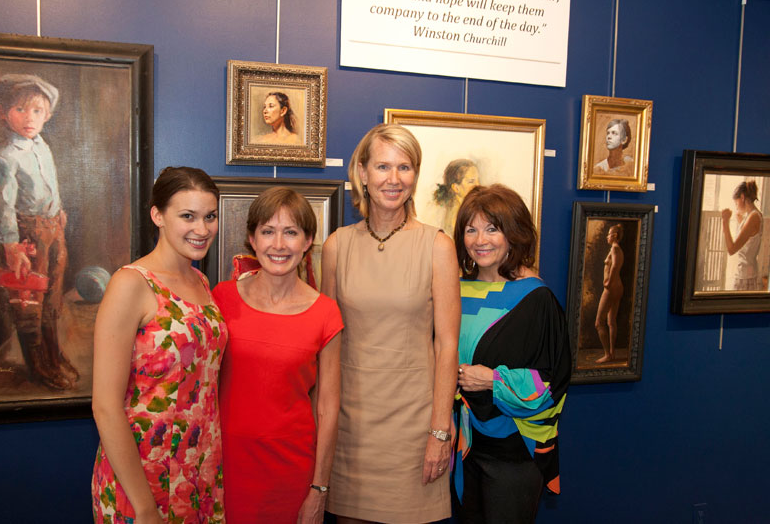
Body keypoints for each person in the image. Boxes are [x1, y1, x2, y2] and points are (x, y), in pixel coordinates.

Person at [322, 123, 460, 523]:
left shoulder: (436, 245)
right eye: (383, 167)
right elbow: (327, 345)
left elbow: (447, 345)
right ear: (362, 173)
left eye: (405, 167)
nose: (394, 179)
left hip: (416, 431)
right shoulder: (336, 247)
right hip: (352, 430)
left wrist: (440, 430)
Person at [91, 166, 226, 524]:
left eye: (209, 217)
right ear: (158, 216)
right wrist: (144, 506)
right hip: (142, 474)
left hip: (198, 468)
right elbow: (105, 406)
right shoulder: (130, 284)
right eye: (188, 216)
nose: (202, 229)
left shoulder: (199, 280)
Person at [213, 187, 343, 523]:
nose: (279, 245)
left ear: (307, 240)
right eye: (268, 232)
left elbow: (328, 408)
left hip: (291, 475)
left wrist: (319, 489)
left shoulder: (326, 314)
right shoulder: (221, 298)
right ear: (252, 239)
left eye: (291, 232)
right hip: (223, 468)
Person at [452, 184, 570, 523]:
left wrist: (492, 380)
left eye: (492, 228)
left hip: (514, 455)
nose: (480, 240)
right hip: (464, 447)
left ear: (513, 234)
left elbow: (552, 383)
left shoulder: (536, 298)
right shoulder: (456, 289)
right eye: (471, 229)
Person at [0, 73, 78, 390]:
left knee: (52, 297)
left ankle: (53, 356)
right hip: (25, 235)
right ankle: (38, 366)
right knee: (28, 301)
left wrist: (58, 211)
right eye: (20, 110)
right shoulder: (2, 158)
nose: (29, 118)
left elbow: (50, 185)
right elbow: (2, 206)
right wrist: (12, 246)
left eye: (37, 111)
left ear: (47, 114)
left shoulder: (42, 147)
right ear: (2, 112)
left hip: (52, 229)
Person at [721, 180, 763, 290]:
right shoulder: (751, 216)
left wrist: (725, 222)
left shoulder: (753, 217)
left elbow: (731, 249)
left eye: (736, 203)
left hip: (746, 277)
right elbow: (749, 240)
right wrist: (740, 222)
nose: (736, 206)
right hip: (746, 274)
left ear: (742, 197)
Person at [595, 223, 624, 364]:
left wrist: (608, 282)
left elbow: (614, 267)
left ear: (615, 236)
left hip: (612, 287)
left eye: (609, 234)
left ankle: (608, 354)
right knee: (611, 321)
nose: (607, 237)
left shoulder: (615, 249)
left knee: (599, 322)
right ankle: (612, 353)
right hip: (616, 287)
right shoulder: (614, 249)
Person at [432, 158, 480, 236]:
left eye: (478, 180)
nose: (478, 185)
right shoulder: (455, 219)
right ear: (456, 188)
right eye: (471, 181)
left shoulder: (467, 210)